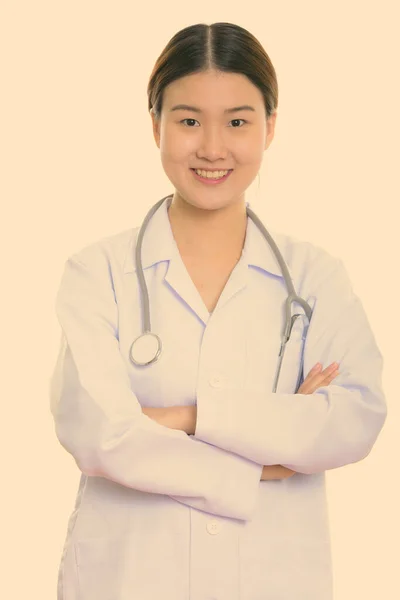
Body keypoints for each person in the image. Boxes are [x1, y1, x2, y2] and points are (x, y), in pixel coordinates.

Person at [50, 21, 387, 600]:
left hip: (273, 580)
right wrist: (266, 458)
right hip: (130, 581)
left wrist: (184, 416)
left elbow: (352, 420)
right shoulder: (96, 273)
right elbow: (100, 432)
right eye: (187, 121)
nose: (212, 147)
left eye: (237, 121)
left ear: (270, 127)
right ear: (154, 124)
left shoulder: (314, 277)